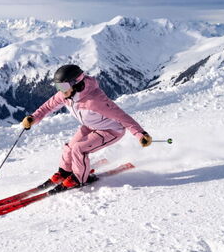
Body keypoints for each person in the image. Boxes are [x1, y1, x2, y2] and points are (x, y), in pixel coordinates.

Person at [21, 64, 152, 190]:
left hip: (111, 130)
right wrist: (33, 118)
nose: (60, 90)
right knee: (69, 148)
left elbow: (121, 117)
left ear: (76, 84)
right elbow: (48, 106)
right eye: (58, 86)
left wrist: (140, 134)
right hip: (91, 126)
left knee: (79, 149)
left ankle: (79, 179)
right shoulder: (65, 94)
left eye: (63, 86)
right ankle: (65, 172)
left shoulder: (95, 100)